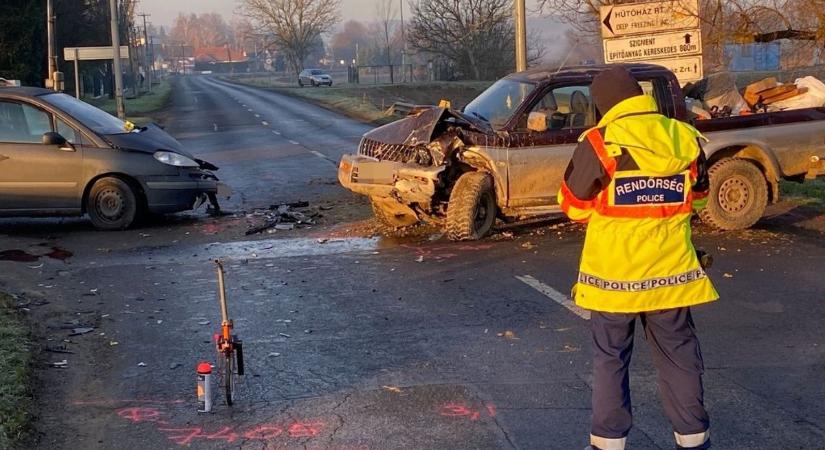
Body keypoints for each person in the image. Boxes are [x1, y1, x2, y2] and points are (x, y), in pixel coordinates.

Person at [557, 66, 718, 450]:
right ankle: (694, 439)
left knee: (611, 360)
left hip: (614, 279)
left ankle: (607, 443)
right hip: (671, 275)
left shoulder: (600, 143)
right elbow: (696, 195)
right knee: (680, 358)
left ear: (603, 104)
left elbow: (574, 207)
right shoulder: (684, 137)